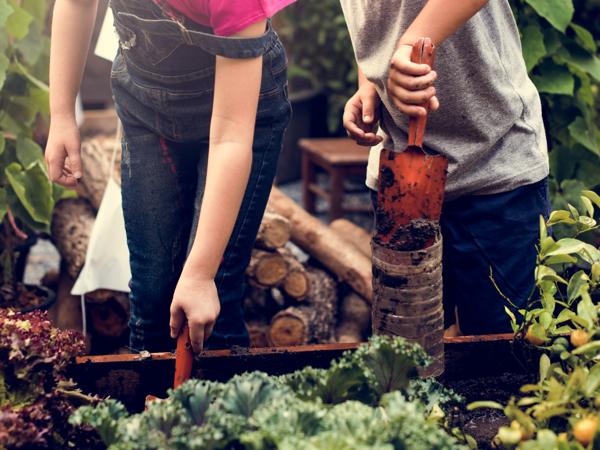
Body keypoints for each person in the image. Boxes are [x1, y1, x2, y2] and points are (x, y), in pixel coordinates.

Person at [45, 0, 293, 353]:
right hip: (146, 109)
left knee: (214, 298)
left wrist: (200, 274)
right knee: (152, 298)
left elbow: (231, 138)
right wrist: (62, 115)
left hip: (241, 122)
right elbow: (75, 4)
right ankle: (152, 404)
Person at [341, 0, 550, 335]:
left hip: (492, 170)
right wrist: (369, 82)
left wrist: (413, 42)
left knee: (504, 354)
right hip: (400, 177)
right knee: (409, 350)